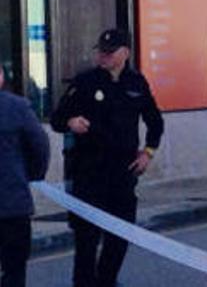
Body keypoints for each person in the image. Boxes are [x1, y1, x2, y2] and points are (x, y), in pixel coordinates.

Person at [50, 29, 164, 287]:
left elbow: (155, 122)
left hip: (122, 173)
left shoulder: (136, 83)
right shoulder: (85, 82)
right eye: (100, 51)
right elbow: (57, 119)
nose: (103, 56)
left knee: (121, 234)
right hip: (89, 173)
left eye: (109, 53)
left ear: (125, 53)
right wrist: (71, 122)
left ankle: (107, 280)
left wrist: (148, 153)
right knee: (87, 238)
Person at [0, 66, 50, 287]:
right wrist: (30, 175)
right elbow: (39, 146)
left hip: (12, 203)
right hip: (12, 204)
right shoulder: (17, 107)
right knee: (14, 271)